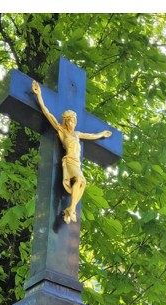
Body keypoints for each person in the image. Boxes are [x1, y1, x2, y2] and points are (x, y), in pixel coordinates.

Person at [32, 80, 112, 224]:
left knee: (82, 183)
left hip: (77, 162)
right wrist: (39, 95)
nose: (72, 123)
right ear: (65, 121)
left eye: (74, 121)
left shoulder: (77, 134)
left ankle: (71, 208)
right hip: (69, 161)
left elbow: (91, 136)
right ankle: (71, 209)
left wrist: (102, 134)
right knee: (81, 180)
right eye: (70, 121)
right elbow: (47, 113)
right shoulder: (62, 131)